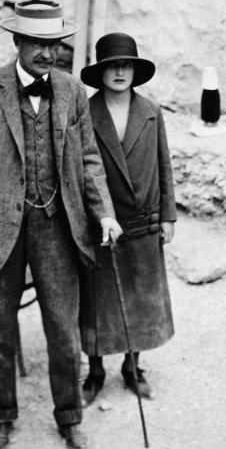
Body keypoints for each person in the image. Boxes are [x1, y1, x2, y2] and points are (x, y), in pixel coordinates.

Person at [0, 0, 122, 449]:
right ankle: (2, 418)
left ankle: (69, 418)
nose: (48, 54)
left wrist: (103, 212)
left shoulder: (70, 92)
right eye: (38, 44)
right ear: (18, 42)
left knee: (63, 331)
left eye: (54, 45)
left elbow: (88, 161)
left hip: (57, 227)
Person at [78, 33, 176, 403]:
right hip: (101, 221)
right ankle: (96, 370)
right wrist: (96, 214)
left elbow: (163, 164)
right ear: (99, 74)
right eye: (111, 66)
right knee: (98, 301)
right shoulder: (84, 113)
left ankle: (133, 366)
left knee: (140, 298)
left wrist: (167, 216)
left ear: (135, 71)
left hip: (143, 221)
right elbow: (80, 170)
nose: (119, 72)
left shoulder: (151, 111)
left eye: (126, 65)